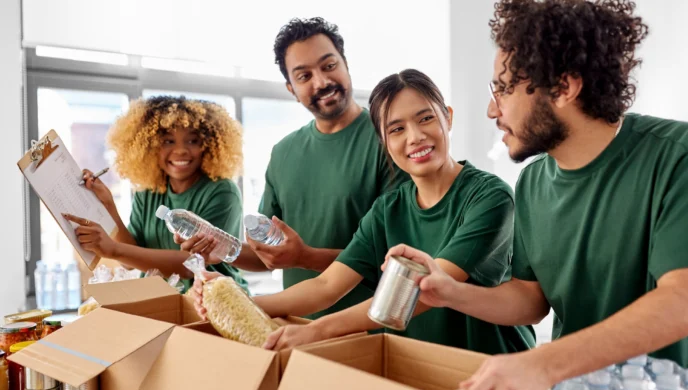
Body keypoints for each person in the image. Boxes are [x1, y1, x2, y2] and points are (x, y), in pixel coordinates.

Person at [385, 1, 688, 390]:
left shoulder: (680, 154)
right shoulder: (533, 182)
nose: (491, 109)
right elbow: (531, 300)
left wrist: (541, 364)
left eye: (504, 89)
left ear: (564, 88)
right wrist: (453, 293)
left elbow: (684, 304)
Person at [193, 69, 536, 355]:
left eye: (426, 119)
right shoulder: (388, 209)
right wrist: (234, 298)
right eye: (397, 129)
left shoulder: (488, 197)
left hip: (486, 368)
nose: (415, 137)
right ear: (384, 140)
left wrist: (322, 329)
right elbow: (327, 285)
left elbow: (422, 292)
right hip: (413, 366)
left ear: (447, 117)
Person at [179, 17, 408, 319]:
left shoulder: (389, 140)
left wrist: (306, 258)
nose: (321, 82)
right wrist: (218, 249)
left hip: (369, 327)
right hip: (295, 326)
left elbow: (399, 260)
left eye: (328, 66)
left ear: (346, 64)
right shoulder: (284, 153)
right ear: (291, 87)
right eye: (304, 76)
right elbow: (267, 257)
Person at [64, 95, 245, 292]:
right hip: (162, 302)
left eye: (192, 140)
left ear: (208, 145)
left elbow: (190, 265)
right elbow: (129, 261)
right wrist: (108, 205)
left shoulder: (222, 192)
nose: (181, 150)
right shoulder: (148, 191)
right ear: (150, 145)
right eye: (168, 141)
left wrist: (113, 249)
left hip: (215, 302)